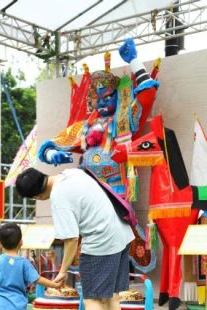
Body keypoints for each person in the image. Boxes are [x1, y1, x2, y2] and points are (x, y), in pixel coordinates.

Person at [37, 38, 160, 272]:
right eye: (98, 99)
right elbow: (49, 145)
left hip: (116, 194)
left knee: (120, 240)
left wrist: (134, 61)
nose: (102, 103)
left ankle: (120, 280)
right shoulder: (85, 127)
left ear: (118, 97)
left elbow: (148, 94)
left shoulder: (123, 121)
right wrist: (53, 155)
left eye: (108, 98)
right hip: (87, 198)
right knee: (90, 248)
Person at [15, 167, 135, 310]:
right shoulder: (72, 173)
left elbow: (71, 239)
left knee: (94, 301)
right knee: (112, 298)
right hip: (121, 233)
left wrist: (62, 272)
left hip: (101, 243)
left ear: (36, 196)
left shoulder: (58, 198)